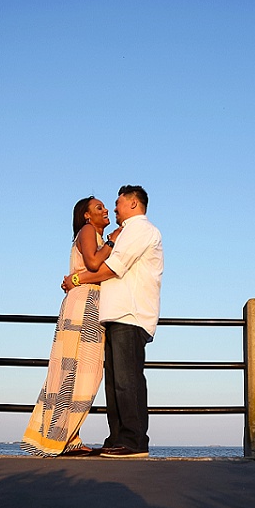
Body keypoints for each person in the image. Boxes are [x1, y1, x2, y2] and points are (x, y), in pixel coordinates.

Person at [63, 185, 163, 458]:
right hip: (115, 314)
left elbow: (111, 268)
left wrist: (77, 279)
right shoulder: (125, 233)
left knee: (127, 379)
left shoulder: (140, 230)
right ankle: (118, 438)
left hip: (130, 314)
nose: (113, 208)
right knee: (115, 382)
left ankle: (134, 442)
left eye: (118, 203)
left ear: (132, 204)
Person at [21, 196, 116, 457]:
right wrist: (111, 241)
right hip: (84, 304)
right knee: (81, 371)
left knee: (78, 371)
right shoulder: (88, 231)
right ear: (86, 216)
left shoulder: (95, 235)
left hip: (88, 303)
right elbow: (95, 263)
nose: (106, 210)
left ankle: (66, 436)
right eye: (99, 207)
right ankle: (63, 438)